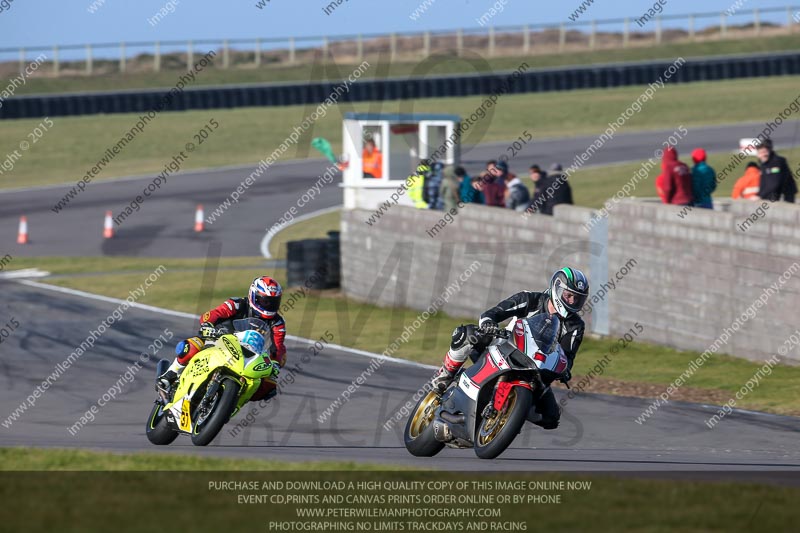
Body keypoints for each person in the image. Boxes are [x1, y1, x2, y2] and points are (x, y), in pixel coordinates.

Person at [431, 267, 589, 430]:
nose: (572, 302)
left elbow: (567, 356)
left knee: (551, 418)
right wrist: (488, 323)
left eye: (577, 299)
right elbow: (493, 313)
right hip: (504, 347)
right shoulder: (530, 299)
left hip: (535, 371)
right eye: (569, 295)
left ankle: (512, 413)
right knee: (467, 334)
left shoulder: (575, 326)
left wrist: (565, 370)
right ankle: (446, 374)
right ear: (557, 289)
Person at [158, 276, 286, 402]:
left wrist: (275, 362)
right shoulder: (237, 304)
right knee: (192, 345)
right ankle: (169, 375)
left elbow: (278, 347)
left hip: (248, 354)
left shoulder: (278, 322)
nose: (269, 306)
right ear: (253, 296)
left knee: (269, 384)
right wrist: (208, 324)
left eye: (273, 302)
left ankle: (231, 404)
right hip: (219, 339)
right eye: (265, 301)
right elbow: (215, 314)